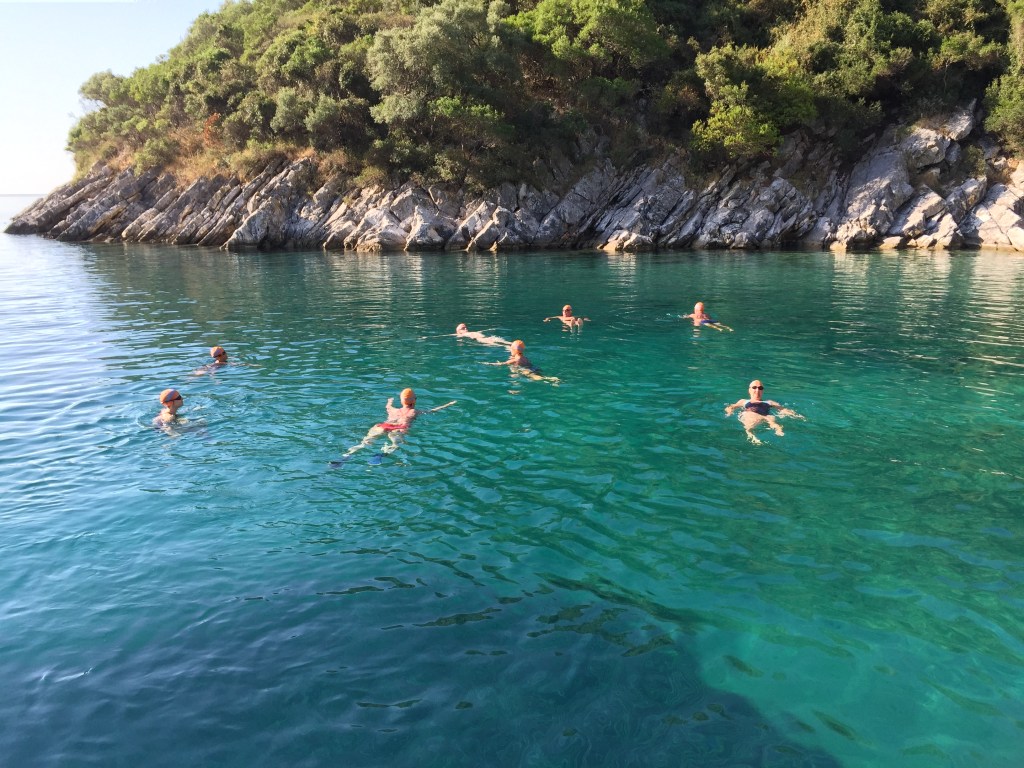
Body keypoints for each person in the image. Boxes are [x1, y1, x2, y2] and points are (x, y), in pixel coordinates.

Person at [338, 388, 456, 461]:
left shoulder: (393, 410)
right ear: (414, 400)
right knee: (395, 444)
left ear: (401, 401)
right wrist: (448, 404)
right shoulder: (414, 412)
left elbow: (387, 406)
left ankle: (348, 455)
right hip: (400, 428)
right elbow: (433, 411)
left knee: (364, 442)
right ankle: (382, 454)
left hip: (384, 425)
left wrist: (389, 401)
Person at [724, 380, 803, 444]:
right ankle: (751, 435)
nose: (757, 390)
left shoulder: (769, 402)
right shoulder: (743, 401)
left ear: (762, 391)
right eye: (754, 387)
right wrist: (729, 412)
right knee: (749, 420)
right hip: (752, 414)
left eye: (760, 388)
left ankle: (778, 430)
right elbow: (731, 407)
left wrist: (795, 415)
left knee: (772, 419)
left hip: (767, 416)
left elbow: (782, 409)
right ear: (749, 390)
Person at [485, 340, 559, 383]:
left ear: (513, 350)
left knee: (536, 377)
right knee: (539, 375)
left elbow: (502, 364)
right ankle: (549, 378)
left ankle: (550, 379)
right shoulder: (524, 358)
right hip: (534, 368)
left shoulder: (515, 360)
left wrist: (489, 363)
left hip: (526, 370)